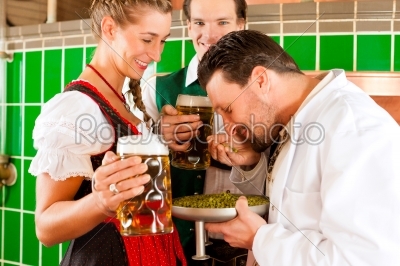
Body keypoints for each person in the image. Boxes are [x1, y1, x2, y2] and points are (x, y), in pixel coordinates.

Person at [197, 30, 400, 265]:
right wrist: (252, 162)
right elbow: (291, 208)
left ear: (260, 80)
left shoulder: (354, 128)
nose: (228, 127)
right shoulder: (295, 119)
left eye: (228, 110)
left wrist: (259, 239)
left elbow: (364, 258)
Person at [28, 1, 188, 265]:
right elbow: (45, 228)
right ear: (110, 28)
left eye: (163, 41)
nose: (157, 54)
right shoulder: (75, 109)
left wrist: (160, 138)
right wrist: (101, 202)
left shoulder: (123, 100)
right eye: (148, 39)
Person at [136, 0, 248, 264]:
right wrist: (156, 135)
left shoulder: (261, 88)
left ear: (241, 25)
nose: (209, 35)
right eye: (199, 23)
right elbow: (130, 161)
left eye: (222, 22)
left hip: (242, 245)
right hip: (173, 244)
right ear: (188, 27)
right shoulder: (156, 89)